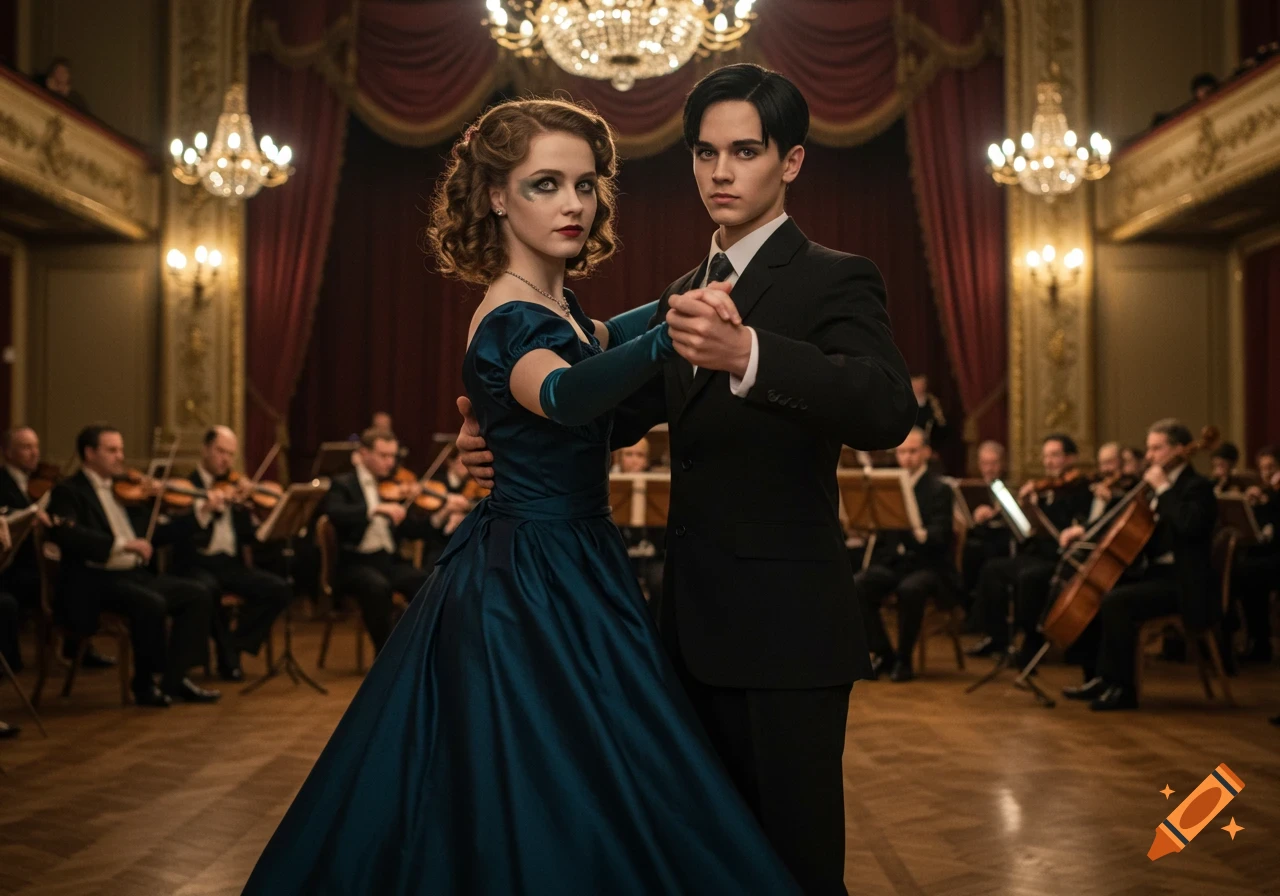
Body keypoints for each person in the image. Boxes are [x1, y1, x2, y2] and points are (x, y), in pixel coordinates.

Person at [245, 98, 802, 895]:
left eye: (585, 185)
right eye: (546, 184)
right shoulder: (507, 318)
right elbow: (572, 395)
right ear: (498, 196)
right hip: (525, 582)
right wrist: (675, 332)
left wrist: (718, 276)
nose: (574, 204)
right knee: (544, 778)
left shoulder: (561, 307)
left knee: (599, 769)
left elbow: (604, 337)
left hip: (574, 558)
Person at [458, 65, 916, 894]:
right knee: (711, 868)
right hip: (681, 635)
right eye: (705, 153)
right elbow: (594, 418)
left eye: (744, 151)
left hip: (788, 635)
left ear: (792, 163)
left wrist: (752, 355)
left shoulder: (833, 276)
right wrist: (493, 431)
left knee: (800, 868)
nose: (720, 173)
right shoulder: (678, 296)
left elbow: (886, 407)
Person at [45, 425, 220, 707]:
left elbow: (158, 535)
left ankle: (175, 679)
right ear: (89, 453)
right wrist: (121, 545)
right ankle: (144, 684)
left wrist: (200, 513)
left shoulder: (126, 490)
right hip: (93, 580)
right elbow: (68, 534)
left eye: (121, 450)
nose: (120, 457)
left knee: (198, 593)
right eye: (112, 450)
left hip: (132, 575)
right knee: (149, 602)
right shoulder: (69, 491)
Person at [1061, 419, 1219, 710]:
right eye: (1149, 449)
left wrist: (1163, 491)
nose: (1149, 456)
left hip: (1183, 583)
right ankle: (1100, 677)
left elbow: (1188, 526)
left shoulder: (1198, 487)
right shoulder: (1154, 487)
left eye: (1157, 449)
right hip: (1155, 574)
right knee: (1099, 588)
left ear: (1180, 450)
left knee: (1118, 602)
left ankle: (1124, 689)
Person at [172, 426, 290, 681]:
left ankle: (234, 646)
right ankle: (227, 658)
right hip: (196, 563)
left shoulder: (236, 486)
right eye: (220, 451)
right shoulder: (185, 487)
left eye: (230, 454)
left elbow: (249, 538)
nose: (225, 459)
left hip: (230, 564)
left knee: (278, 588)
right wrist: (203, 510)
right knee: (209, 590)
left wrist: (254, 514)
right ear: (205, 450)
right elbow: (174, 534)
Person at [854, 428, 956, 682]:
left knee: (910, 589)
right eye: (901, 451)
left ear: (926, 452)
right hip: (896, 562)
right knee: (859, 585)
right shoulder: (888, 485)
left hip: (929, 565)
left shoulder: (939, 488)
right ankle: (884, 653)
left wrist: (919, 530)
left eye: (912, 451)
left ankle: (904, 659)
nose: (906, 457)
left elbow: (941, 535)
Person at [321, 428, 433, 654]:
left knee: (428, 582)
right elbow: (335, 513)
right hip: (354, 563)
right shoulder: (343, 483)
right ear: (364, 453)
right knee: (376, 587)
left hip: (387, 561)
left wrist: (439, 517)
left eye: (393, 456)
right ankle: (387, 656)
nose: (390, 462)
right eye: (384, 456)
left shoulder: (393, 486)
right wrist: (374, 509)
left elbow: (412, 530)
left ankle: (418, 649)